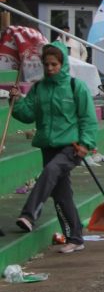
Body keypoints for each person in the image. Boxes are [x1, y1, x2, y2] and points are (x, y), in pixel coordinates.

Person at [11, 42, 98, 253]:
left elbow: (88, 118)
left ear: (62, 64)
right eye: (46, 64)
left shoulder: (75, 86)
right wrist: (15, 101)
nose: (50, 68)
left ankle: (29, 214)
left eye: (54, 64)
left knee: (50, 171)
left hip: (72, 146)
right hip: (48, 146)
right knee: (61, 195)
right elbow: (27, 114)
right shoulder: (39, 88)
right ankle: (75, 238)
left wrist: (86, 144)